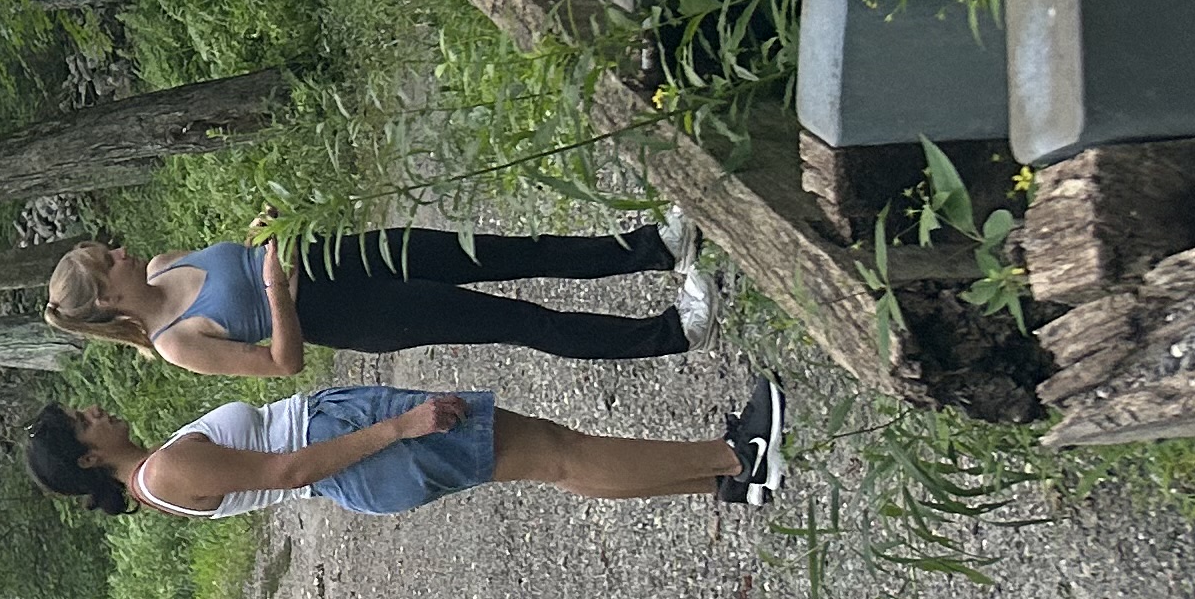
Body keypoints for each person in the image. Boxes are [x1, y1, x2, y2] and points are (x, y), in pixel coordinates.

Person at [24, 381, 787, 523]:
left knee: (552, 460)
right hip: (353, 452)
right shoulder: (166, 471)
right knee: (556, 454)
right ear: (91, 458)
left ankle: (720, 482)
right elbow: (286, 470)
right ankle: (735, 457)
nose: (94, 412)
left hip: (348, 457)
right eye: (83, 423)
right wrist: (399, 426)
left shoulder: (157, 481)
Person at [47, 228, 714, 372]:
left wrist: (271, 231)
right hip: (347, 314)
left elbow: (256, 253)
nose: (122, 251)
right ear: (108, 295)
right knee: (518, 321)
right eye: (110, 260)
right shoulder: (176, 344)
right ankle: (675, 332)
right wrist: (276, 288)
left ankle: (654, 247)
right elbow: (283, 363)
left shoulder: (167, 260)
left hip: (340, 255)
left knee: (507, 250)